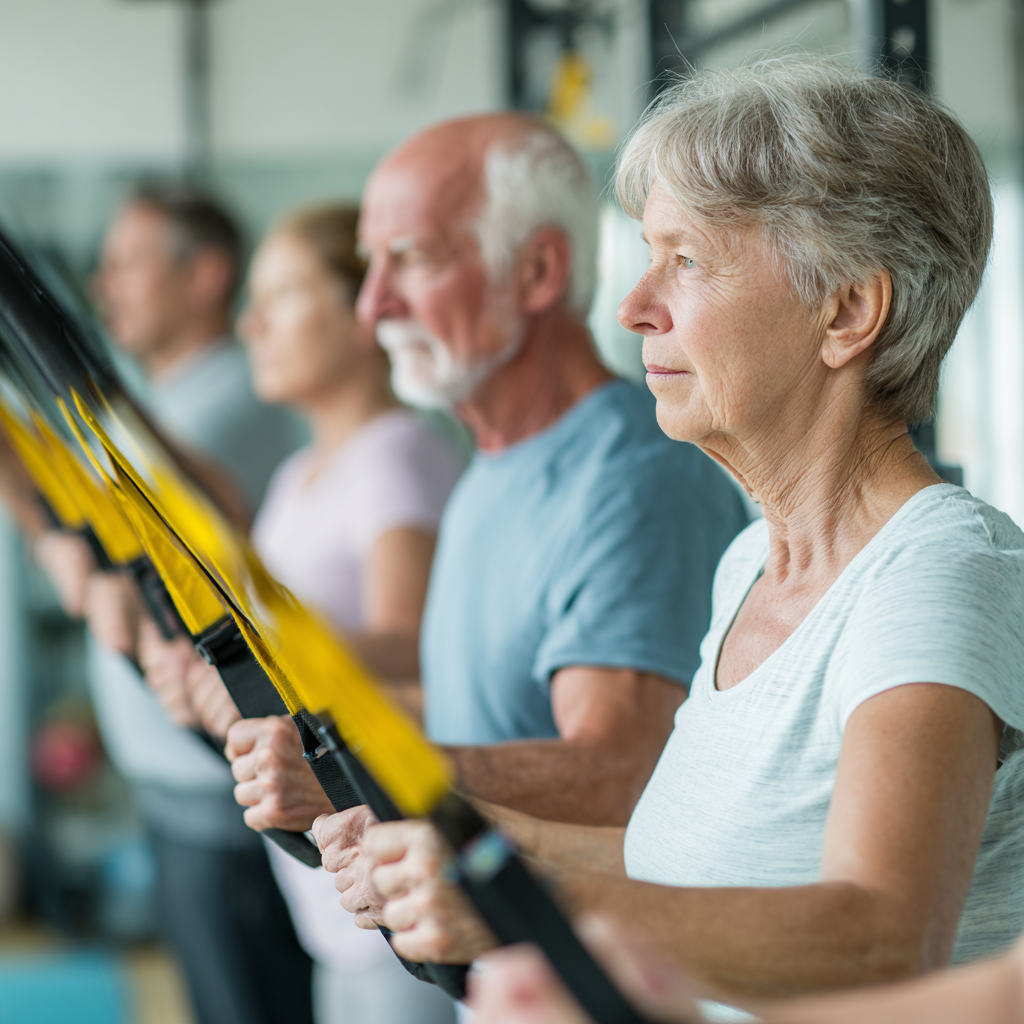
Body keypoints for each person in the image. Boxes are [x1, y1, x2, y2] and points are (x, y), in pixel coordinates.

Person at [316, 55, 1024, 1018]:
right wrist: (461, 837)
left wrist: (519, 901)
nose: (633, 305)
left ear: (849, 310)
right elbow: (681, 860)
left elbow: (881, 934)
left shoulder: (940, 573)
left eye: (686, 260)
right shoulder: (749, 564)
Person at [232, 113, 747, 878]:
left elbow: (624, 773)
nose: (374, 307)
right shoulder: (487, 468)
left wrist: (365, 770)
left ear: (538, 271)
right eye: (371, 265)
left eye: (409, 260)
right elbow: (480, 718)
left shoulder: (640, 475)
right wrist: (298, 719)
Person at [165, 203, 460, 1024]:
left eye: (285, 293)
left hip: (395, 900)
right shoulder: (299, 474)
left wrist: (252, 667)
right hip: (328, 897)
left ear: (363, 310)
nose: (252, 322)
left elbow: (410, 646)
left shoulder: (397, 456)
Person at [79, 185, 311, 1024]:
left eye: (126, 266)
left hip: (225, 796)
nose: (106, 288)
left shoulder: (233, 405)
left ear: (206, 274)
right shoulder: (168, 402)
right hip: (178, 784)